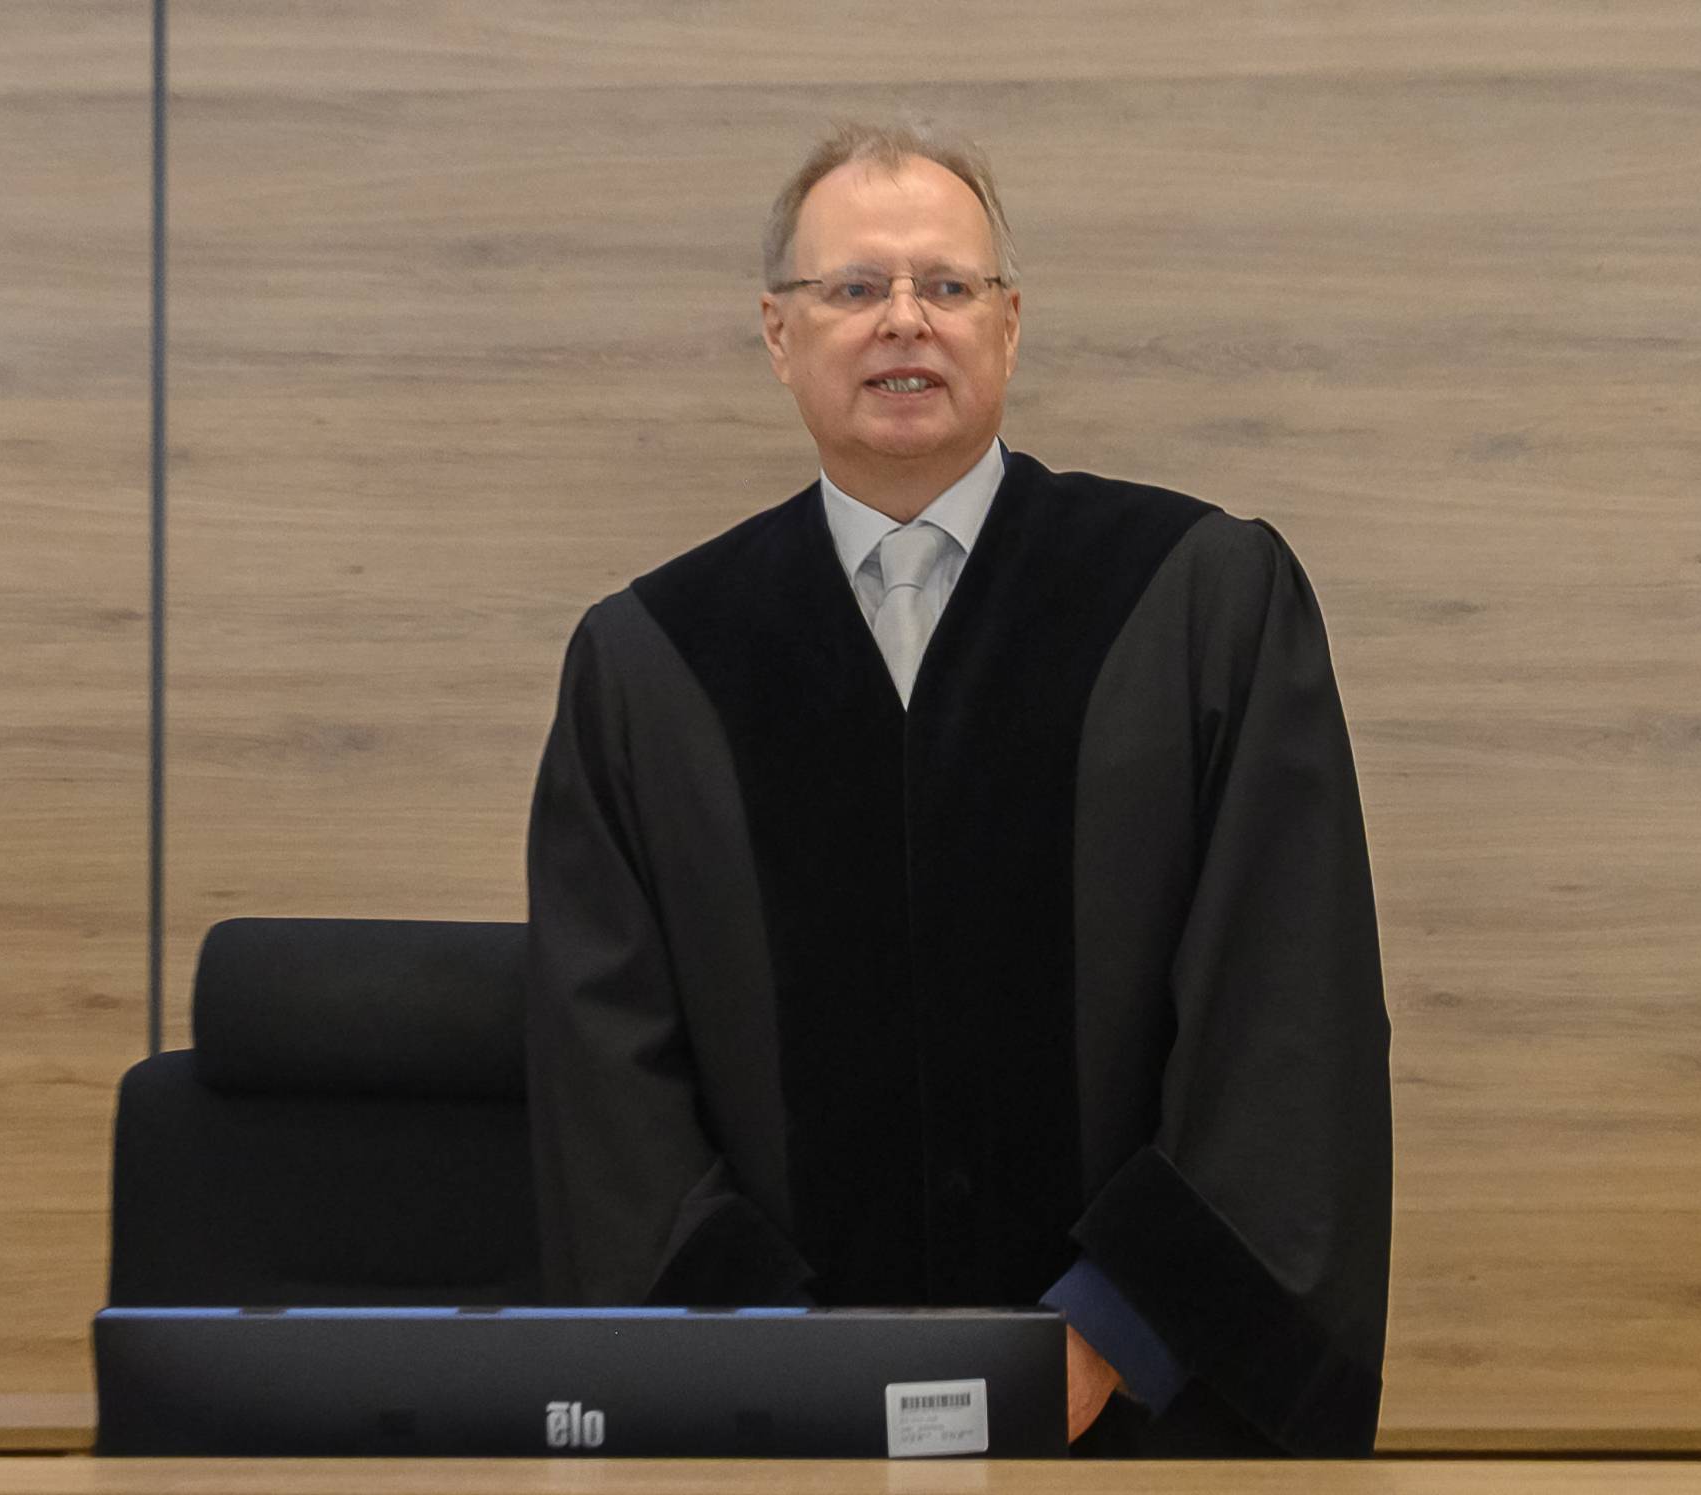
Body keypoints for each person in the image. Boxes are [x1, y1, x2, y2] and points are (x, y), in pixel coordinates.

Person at [522, 120, 1391, 1458]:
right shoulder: (651, 663)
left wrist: (1114, 1331)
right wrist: (774, 1363)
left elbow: (1287, 1014)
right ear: (777, 333)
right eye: (852, 288)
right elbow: (605, 1075)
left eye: (946, 284)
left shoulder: (1197, 601)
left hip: (1138, 1415)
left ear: (1009, 324)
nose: (903, 320)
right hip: (777, 1432)